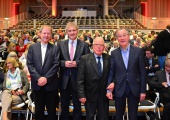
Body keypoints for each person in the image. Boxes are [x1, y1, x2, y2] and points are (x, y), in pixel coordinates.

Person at [106, 28, 146, 120]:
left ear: (128, 36)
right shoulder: (113, 53)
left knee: (133, 115)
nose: (122, 38)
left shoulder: (138, 51)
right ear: (116, 38)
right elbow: (111, 72)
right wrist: (109, 90)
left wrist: (143, 90)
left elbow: (142, 72)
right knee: (119, 115)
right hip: (119, 87)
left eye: (124, 35)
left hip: (134, 87)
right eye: (119, 36)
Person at [27, 25, 60, 120]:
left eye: (48, 33)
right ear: (39, 34)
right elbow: (30, 65)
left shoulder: (55, 48)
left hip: (51, 85)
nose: (46, 35)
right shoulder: (32, 48)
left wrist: (46, 78)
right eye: (44, 33)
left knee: (52, 113)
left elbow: (56, 65)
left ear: (51, 35)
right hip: (37, 86)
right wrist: (38, 78)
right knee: (38, 112)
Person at [58, 22, 90, 120]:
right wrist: (64, 63)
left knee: (77, 107)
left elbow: (88, 61)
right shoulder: (60, 44)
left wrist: (77, 63)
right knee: (64, 106)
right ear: (66, 32)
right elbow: (56, 61)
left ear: (77, 31)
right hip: (64, 80)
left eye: (74, 30)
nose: (72, 33)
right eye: (70, 31)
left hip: (78, 80)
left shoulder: (84, 45)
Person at [77, 37, 110, 120]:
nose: (99, 47)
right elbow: (80, 79)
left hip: (104, 96)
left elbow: (112, 75)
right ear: (92, 46)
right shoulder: (84, 59)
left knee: (104, 117)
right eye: (96, 45)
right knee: (90, 117)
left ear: (104, 47)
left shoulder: (109, 58)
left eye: (101, 45)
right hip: (89, 95)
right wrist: (81, 95)